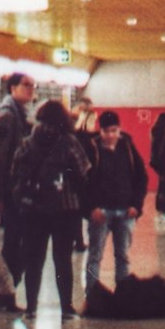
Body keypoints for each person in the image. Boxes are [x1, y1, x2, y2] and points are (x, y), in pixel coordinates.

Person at [10, 99, 90, 321]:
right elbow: (84, 173)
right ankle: (66, 308)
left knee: (34, 260)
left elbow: (15, 172)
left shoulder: (27, 143)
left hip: (34, 209)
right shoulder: (69, 142)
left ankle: (31, 308)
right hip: (65, 209)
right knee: (62, 259)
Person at [82, 110, 148, 294]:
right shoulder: (91, 149)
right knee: (95, 255)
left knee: (123, 255)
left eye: (114, 130)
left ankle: (124, 293)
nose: (110, 135)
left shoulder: (127, 147)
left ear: (119, 130)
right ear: (100, 131)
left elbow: (141, 177)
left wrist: (136, 205)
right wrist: (90, 208)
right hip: (100, 213)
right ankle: (92, 294)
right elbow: (82, 182)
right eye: (106, 131)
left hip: (125, 212)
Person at [0, 72, 35, 313]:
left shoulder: (19, 115)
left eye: (32, 86)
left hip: (17, 191)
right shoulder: (7, 118)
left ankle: (6, 294)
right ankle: (3, 296)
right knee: (13, 245)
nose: (31, 90)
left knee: (16, 244)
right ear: (12, 88)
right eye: (26, 85)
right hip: (10, 192)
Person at [70, 98, 99, 251]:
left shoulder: (76, 136)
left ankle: (79, 240)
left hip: (80, 179)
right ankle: (80, 240)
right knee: (80, 210)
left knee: (77, 211)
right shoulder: (85, 139)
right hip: (83, 179)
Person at [149, 110, 165, 219]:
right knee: (164, 187)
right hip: (162, 163)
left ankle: (161, 210)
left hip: (157, 162)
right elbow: (162, 151)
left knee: (162, 186)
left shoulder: (155, 132)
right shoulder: (163, 134)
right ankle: (163, 210)